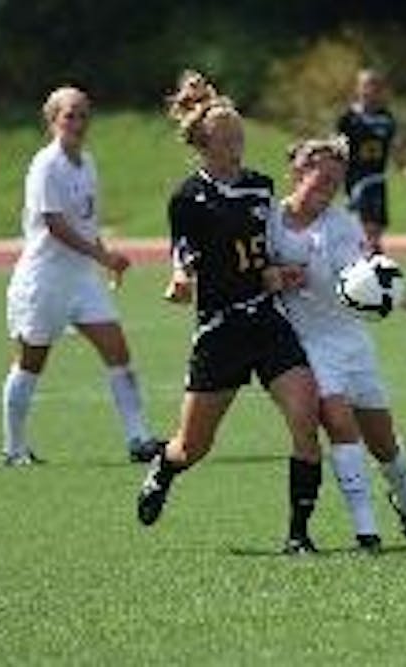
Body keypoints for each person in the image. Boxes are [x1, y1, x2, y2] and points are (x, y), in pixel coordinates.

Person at [136, 71, 325, 556]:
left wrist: (281, 271)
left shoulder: (261, 187)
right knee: (192, 447)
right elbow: (183, 253)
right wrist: (181, 279)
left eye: (240, 132)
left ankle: (298, 536)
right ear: (204, 143)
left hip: (266, 320)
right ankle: (164, 467)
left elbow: (265, 251)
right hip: (220, 331)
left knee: (306, 417)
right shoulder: (187, 198)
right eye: (229, 136)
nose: (239, 141)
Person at [269, 134, 406, 547]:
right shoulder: (268, 220)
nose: (328, 191)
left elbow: (372, 283)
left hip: (352, 342)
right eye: (321, 180)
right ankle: (365, 528)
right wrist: (273, 276)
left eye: (336, 183)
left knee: (384, 443)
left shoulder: (342, 224)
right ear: (297, 173)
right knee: (338, 423)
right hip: (307, 344)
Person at [1, 86, 163, 466]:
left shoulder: (87, 162)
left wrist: (105, 256)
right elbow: (55, 225)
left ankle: (139, 438)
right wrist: (101, 256)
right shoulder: (46, 165)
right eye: (69, 114)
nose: (77, 122)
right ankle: (13, 449)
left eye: (83, 114)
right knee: (30, 363)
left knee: (118, 352)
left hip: (82, 280)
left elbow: (87, 223)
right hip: (44, 281)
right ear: (53, 120)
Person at [336, 69, 396, 251]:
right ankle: (359, 268)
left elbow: (395, 146)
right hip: (355, 180)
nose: (370, 90)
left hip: (376, 179)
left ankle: (376, 271)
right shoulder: (348, 118)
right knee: (358, 229)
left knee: (376, 229)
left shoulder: (386, 118)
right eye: (366, 85)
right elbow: (338, 146)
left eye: (374, 85)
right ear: (358, 88)